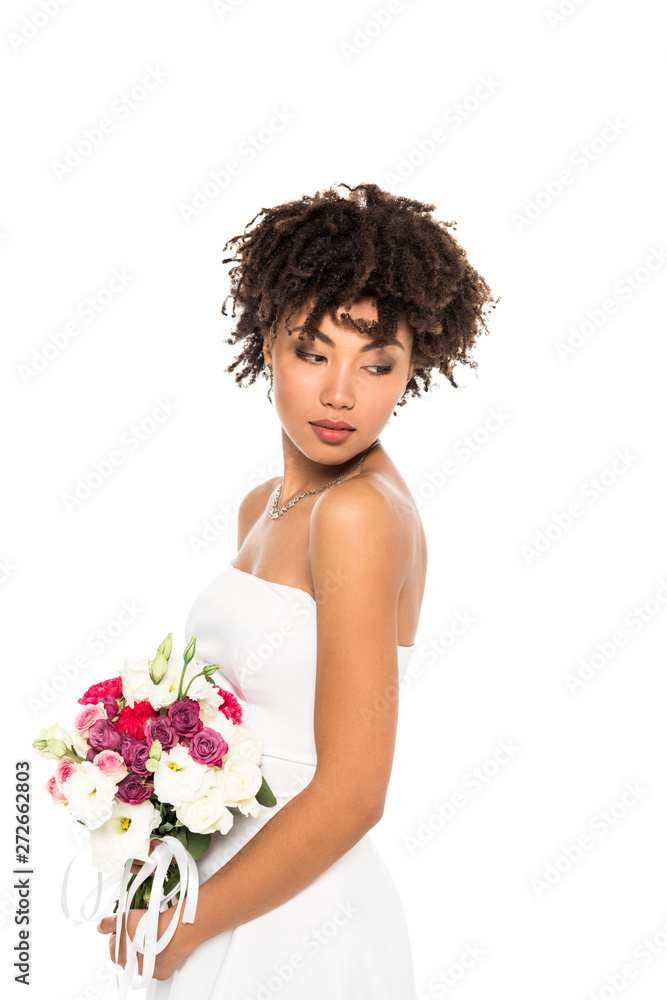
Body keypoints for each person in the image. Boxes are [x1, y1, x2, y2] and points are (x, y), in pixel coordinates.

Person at [97, 181, 498, 997]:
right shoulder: (265, 506)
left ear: (414, 368)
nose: (341, 393)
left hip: (302, 927)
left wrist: (190, 923)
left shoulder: (358, 515)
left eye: (377, 363)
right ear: (265, 342)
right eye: (313, 352)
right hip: (223, 895)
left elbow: (352, 791)